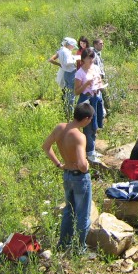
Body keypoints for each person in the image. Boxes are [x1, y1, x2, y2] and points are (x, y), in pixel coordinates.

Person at [42, 102, 94, 252]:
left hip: (67, 174)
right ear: (85, 119)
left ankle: (63, 244)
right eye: (90, 119)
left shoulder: (60, 128)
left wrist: (59, 164)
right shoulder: (79, 136)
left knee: (68, 211)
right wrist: (86, 166)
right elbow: (82, 164)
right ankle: (80, 249)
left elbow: (46, 146)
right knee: (83, 214)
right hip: (79, 178)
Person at [74, 48, 106, 164]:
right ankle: (89, 152)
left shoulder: (95, 68)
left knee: (96, 124)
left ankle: (92, 148)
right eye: (89, 57)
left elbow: (99, 79)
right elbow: (76, 91)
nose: (91, 60)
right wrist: (86, 84)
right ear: (83, 59)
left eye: (92, 57)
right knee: (88, 126)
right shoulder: (80, 73)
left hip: (96, 97)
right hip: (86, 99)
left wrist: (100, 84)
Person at [48, 37, 78, 120]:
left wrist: (60, 65)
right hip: (69, 73)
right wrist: (75, 59)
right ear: (69, 45)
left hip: (65, 73)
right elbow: (67, 62)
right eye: (73, 46)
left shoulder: (61, 50)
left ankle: (66, 111)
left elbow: (51, 59)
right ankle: (69, 114)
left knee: (67, 92)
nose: (73, 48)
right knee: (70, 93)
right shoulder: (66, 51)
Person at [92, 37, 112, 113]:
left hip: (101, 76)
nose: (102, 45)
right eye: (100, 44)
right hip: (97, 78)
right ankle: (108, 110)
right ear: (95, 45)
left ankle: (105, 110)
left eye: (103, 43)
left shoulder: (98, 53)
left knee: (103, 95)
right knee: (105, 94)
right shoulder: (93, 54)